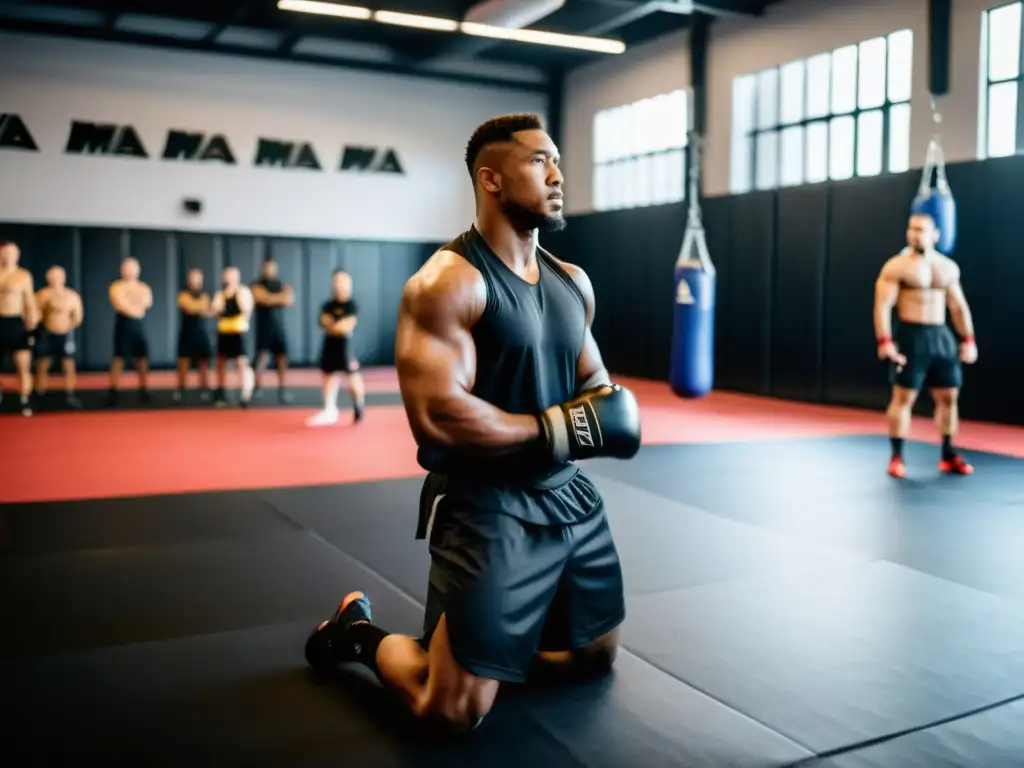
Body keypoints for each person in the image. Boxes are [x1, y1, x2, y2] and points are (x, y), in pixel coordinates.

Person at [303, 113, 642, 732]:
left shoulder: (573, 282)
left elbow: (597, 384)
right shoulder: (449, 282)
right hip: (488, 507)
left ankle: (496, 635)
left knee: (591, 657)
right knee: (450, 708)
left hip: (567, 497)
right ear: (491, 178)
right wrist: (560, 430)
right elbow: (440, 418)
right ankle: (356, 634)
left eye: (557, 161)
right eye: (540, 162)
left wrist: (577, 420)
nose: (558, 175)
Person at [874, 212, 977, 478]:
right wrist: (885, 341)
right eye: (912, 229)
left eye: (921, 229)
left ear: (935, 235)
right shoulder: (897, 266)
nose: (915, 234)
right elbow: (883, 306)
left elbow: (957, 307)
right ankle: (896, 456)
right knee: (904, 398)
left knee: (949, 397)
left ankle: (948, 454)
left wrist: (968, 340)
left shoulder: (947, 267)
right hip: (912, 335)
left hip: (940, 335)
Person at [306, 269, 365, 426]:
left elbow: (345, 327)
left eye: (343, 281)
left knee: (353, 377)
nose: (339, 285)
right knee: (328, 376)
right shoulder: (328, 304)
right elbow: (323, 321)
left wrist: (334, 325)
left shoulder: (351, 305)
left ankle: (358, 405)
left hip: (345, 346)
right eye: (337, 281)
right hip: (329, 344)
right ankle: (329, 409)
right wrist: (335, 326)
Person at [34, 265, 84, 408]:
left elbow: (78, 316)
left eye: (58, 276)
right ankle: (39, 393)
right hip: (47, 333)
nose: (55, 279)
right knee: (43, 364)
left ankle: (70, 394)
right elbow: (36, 314)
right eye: (52, 276)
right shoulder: (42, 294)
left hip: (66, 334)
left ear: (63, 278)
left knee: (68, 365)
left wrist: (69, 327)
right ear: (48, 278)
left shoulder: (72, 295)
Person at [108, 257, 153, 405]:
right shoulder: (116, 286)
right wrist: (136, 306)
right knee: (118, 357)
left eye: (132, 268)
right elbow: (120, 304)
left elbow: (147, 302)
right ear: (122, 270)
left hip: (138, 325)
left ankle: (144, 389)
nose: (129, 271)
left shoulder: (144, 287)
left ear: (138, 270)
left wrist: (133, 304)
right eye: (126, 268)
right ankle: (113, 391)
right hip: (123, 325)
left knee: (142, 358)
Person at [0, 241, 39, 416]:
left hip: (16, 322)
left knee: (23, 365)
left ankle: (24, 400)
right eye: (5, 253)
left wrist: (31, 329)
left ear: (17, 255)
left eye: (12, 253)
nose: (8, 256)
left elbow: (30, 304)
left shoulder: (23, 276)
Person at [211, 266, 255, 408]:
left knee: (241, 363)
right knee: (221, 363)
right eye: (227, 275)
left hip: (238, 331)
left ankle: (245, 393)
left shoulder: (243, 292)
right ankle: (222, 392)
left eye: (232, 275)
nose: (229, 278)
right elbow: (216, 311)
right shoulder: (220, 294)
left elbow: (246, 310)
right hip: (224, 332)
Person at [252, 258, 294, 404]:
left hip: (278, 327)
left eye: (272, 268)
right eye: (267, 267)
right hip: (264, 327)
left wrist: (272, 298)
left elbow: (289, 299)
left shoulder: (281, 284)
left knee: (282, 358)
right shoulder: (257, 284)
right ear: (263, 268)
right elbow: (262, 298)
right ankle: (256, 388)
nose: (270, 270)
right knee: (261, 358)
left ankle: (282, 389)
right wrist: (277, 298)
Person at [173, 268, 214, 403]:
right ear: (188, 280)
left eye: (197, 279)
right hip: (187, 332)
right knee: (183, 363)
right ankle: (181, 390)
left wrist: (200, 307)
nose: (195, 281)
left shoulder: (205, 296)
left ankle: (204, 390)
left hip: (202, 333)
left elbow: (207, 308)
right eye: (192, 278)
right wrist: (201, 308)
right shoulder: (183, 295)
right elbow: (189, 306)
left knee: (204, 364)